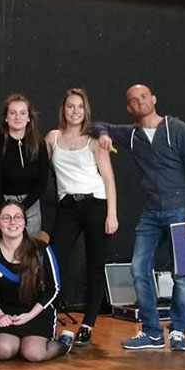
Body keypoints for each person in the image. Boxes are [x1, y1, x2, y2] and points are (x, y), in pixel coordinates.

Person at [94, 84, 185, 351]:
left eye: (144, 97)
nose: (140, 102)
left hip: (181, 210)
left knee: (183, 275)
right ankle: (152, 332)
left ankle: (178, 331)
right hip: (151, 212)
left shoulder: (177, 129)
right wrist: (103, 134)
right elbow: (97, 125)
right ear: (128, 108)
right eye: (134, 100)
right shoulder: (132, 135)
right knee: (138, 268)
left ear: (154, 99)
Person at [44, 88, 118, 346]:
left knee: (94, 265)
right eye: (70, 106)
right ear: (63, 110)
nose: (75, 111)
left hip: (96, 203)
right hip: (68, 205)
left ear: (86, 111)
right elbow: (39, 166)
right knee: (54, 261)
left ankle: (88, 324)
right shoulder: (53, 138)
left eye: (79, 107)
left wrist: (112, 215)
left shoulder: (94, 140)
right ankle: (48, 316)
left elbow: (108, 178)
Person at [0, 200, 75, 362]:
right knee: (3, 351)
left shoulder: (41, 249)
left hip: (37, 312)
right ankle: (16, 343)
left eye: (18, 217)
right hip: (6, 312)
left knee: (33, 353)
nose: (12, 222)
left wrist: (29, 315)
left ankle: (64, 342)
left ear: (24, 223)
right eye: (6, 218)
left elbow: (54, 288)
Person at [0, 93, 48, 237]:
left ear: (29, 117)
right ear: (6, 117)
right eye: (13, 113)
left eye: (22, 113)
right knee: (1, 247)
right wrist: (6, 210)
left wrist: (22, 208)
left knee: (29, 248)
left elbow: (42, 181)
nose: (17, 117)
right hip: (2, 203)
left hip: (30, 205)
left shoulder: (38, 144)